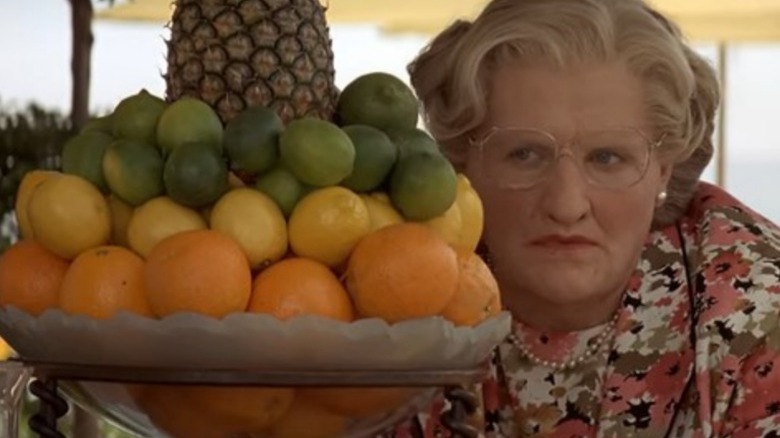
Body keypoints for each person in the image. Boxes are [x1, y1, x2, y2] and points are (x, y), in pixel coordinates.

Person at [385, 0, 780, 436]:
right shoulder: (389, 289)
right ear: (461, 163)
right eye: (525, 154)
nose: (567, 204)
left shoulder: (757, 308)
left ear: (664, 169)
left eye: (608, 158)